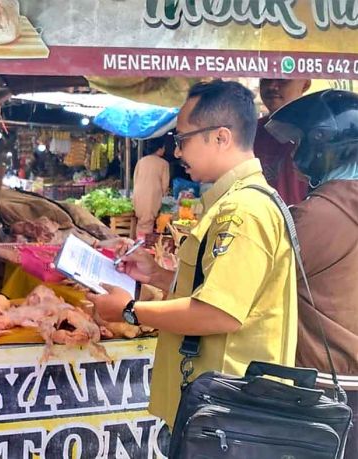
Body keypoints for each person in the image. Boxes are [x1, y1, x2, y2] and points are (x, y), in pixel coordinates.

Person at [88, 80, 298, 430]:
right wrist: (156, 274)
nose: (178, 152)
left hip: (231, 415)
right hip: (218, 408)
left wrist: (128, 310)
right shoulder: (233, 203)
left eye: (182, 139)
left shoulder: (244, 211)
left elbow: (220, 312)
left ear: (220, 137)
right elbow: (216, 287)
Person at [265, 89, 358, 459]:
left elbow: (254, 284)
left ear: (325, 141)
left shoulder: (318, 216)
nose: (294, 151)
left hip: (326, 389)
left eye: (300, 140)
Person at [254, 78, 311, 205]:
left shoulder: (319, 131)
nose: (272, 86)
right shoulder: (251, 132)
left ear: (305, 84)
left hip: (308, 220)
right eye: (266, 78)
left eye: (283, 79)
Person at [132, 136, 170, 237]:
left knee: (141, 222)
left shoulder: (141, 161)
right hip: (152, 196)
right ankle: (143, 247)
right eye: (164, 148)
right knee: (148, 223)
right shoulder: (164, 163)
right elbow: (165, 185)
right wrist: (163, 195)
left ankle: (138, 244)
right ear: (160, 148)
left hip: (138, 194)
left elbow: (135, 178)